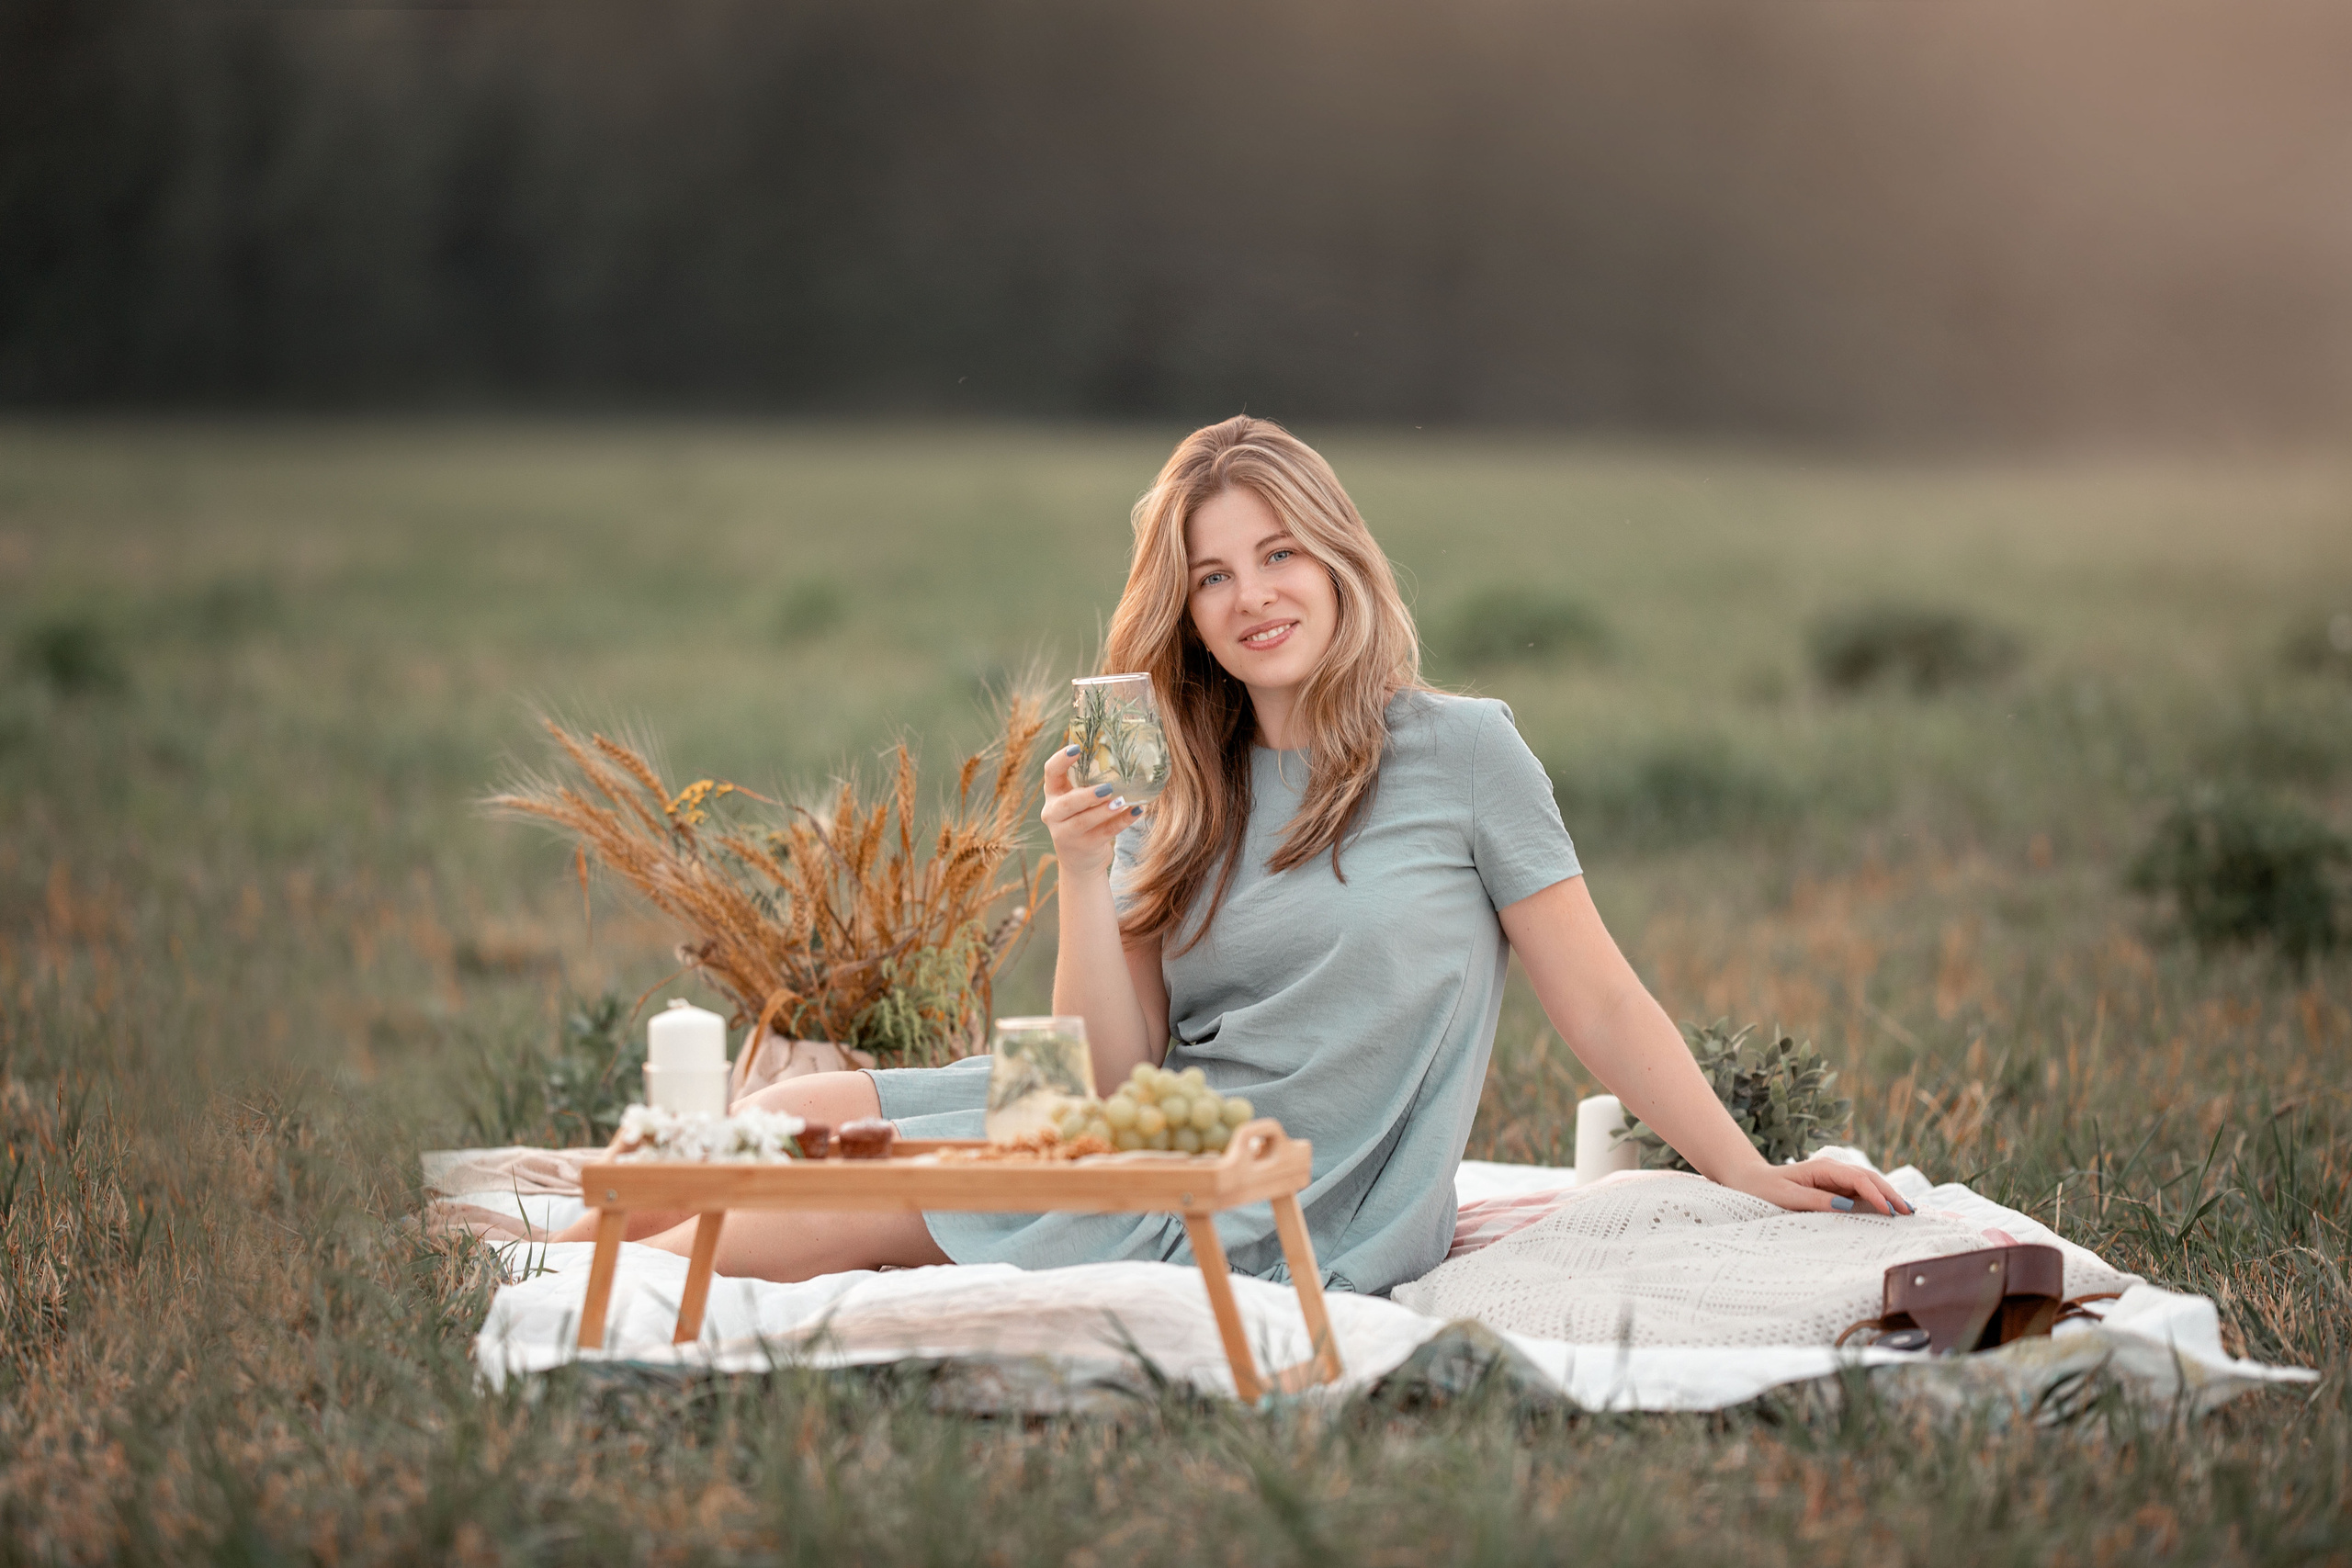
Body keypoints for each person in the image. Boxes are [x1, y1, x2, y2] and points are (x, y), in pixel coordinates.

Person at [564, 415, 1910, 1288]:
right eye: (1213, 574)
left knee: (751, 1230)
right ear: (1187, 606)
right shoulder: (1171, 772)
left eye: (1279, 555)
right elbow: (1103, 1077)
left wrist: (1745, 1172)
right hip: (1144, 1124)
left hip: (1277, 1189)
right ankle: (551, 1254)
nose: (1253, 595)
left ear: (1340, 564)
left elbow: (1600, 997)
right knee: (790, 1120)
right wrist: (1085, 875)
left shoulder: (1467, 755)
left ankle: (567, 1283)